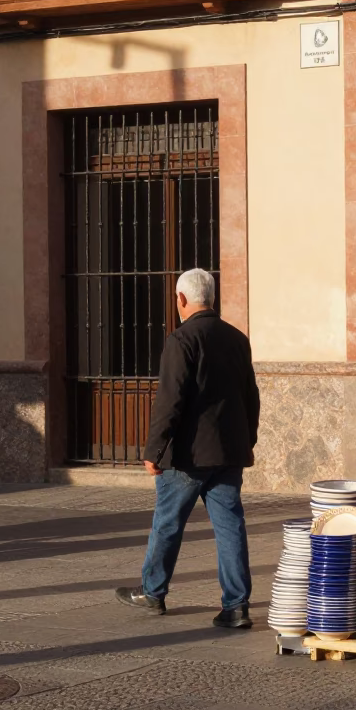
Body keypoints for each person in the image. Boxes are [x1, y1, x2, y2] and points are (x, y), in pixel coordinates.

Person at [116, 268, 261, 628]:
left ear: (181, 299)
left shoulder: (181, 340)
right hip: (227, 453)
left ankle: (153, 592)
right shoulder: (237, 339)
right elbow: (250, 397)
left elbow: (170, 401)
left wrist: (154, 449)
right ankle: (236, 606)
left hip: (188, 455)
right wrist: (248, 440)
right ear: (212, 298)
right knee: (230, 527)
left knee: (167, 523)